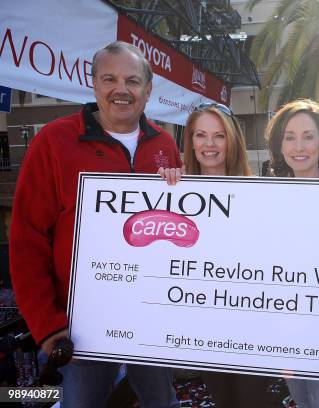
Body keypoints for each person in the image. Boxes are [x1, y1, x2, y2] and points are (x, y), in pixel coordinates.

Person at [9, 41, 181, 407]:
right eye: (110, 79)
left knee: (162, 402)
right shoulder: (53, 142)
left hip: (150, 314)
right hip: (80, 324)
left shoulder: (165, 144)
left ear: (148, 90)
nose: (122, 89)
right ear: (94, 84)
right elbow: (27, 241)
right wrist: (48, 326)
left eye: (133, 81)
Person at [160, 103, 275, 407]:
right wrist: (162, 189)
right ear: (191, 141)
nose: (209, 145)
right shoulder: (176, 191)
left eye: (219, 136)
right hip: (206, 326)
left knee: (252, 402)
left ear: (232, 140)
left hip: (251, 325)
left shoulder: (257, 193)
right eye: (201, 135)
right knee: (224, 401)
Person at [265, 99, 319, 407]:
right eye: (290, 137)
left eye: (308, 136)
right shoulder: (267, 201)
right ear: (280, 146)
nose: (299, 146)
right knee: (302, 401)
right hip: (287, 328)